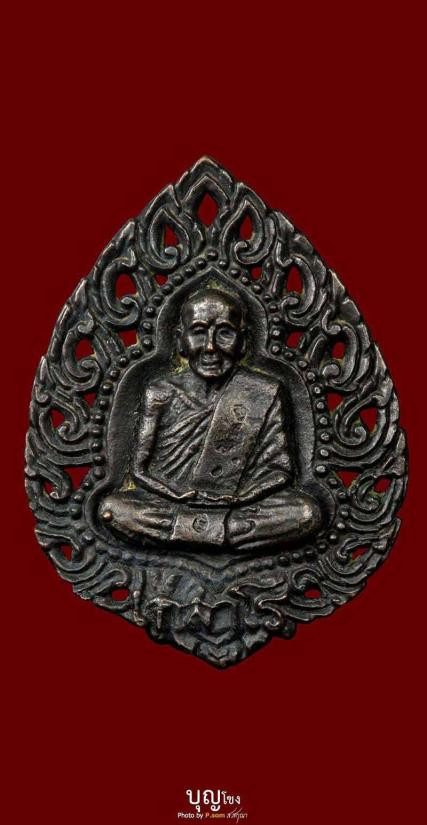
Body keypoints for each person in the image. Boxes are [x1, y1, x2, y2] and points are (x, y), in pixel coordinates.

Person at [99, 287, 321, 550]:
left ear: (243, 342)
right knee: (112, 509)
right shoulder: (160, 392)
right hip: (173, 503)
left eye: (224, 333)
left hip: (239, 506)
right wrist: (176, 495)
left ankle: (184, 534)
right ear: (180, 340)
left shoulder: (263, 391)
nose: (210, 347)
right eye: (198, 332)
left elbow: (280, 471)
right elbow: (138, 471)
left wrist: (240, 498)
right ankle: (221, 534)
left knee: (305, 513)